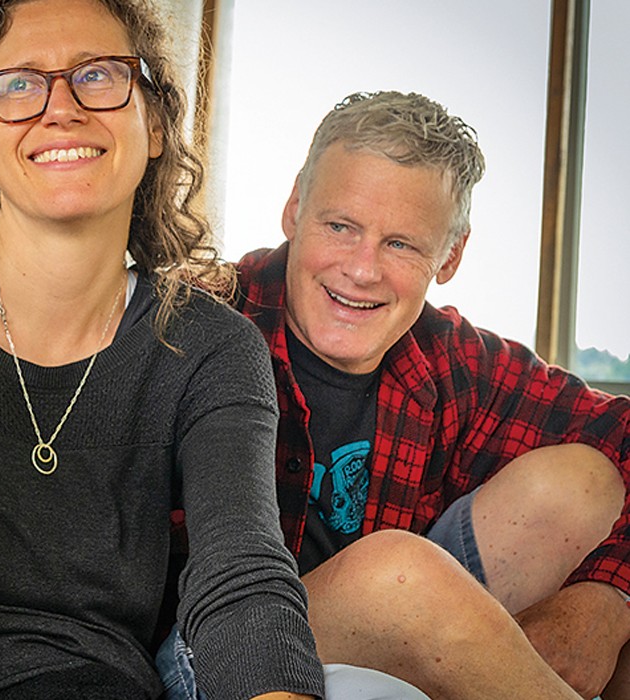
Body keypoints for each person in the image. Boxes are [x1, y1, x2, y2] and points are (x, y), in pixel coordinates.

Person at [0, 0, 328, 698]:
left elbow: (241, 573)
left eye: (98, 75)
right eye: (20, 84)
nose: (60, 108)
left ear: (152, 123)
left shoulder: (211, 349)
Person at [165, 91, 630, 700]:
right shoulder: (197, 319)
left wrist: (610, 599)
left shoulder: (450, 360)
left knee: (584, 481)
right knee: (399, 575)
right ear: (294, 207)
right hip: (212, 648)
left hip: (393, 638)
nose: (362, 270)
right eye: (340, 226)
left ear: (450, 256)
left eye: (401, 244)